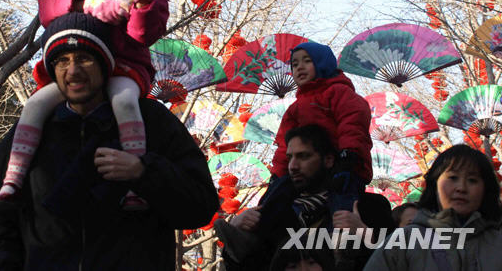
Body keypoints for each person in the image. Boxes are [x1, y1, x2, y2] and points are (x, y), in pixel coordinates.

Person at [0, 13, 218, 270]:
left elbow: (201, 206)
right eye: (62, 61)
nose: (73, 71)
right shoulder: (30, 133)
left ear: (105, 65)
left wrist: (143, 172)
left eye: (84, 58)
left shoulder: (152, 122)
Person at [0, 0, 169, 210]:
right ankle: (12, 181)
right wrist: (83, 4)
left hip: (125, 65)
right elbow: (48, 8)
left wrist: (142, 1)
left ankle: (132, 184)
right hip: (77, 66)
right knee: (35, 104)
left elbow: (144, 34)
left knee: (124, 101)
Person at [215, 125, 392, 271]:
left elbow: (397, 262)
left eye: (304, 156)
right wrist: (237, 234)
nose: (293, 166)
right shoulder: (274, 212)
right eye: (290, 157)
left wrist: (366, 235)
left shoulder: (367, 208)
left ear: (329, 160)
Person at [270, 42, 373, 212]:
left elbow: (352, 124)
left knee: (341, 204)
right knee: (277, 197)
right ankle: (253, 232)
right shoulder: (295, 108)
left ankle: (341, 235)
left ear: (322, 62)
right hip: (309, 170)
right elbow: (284, 144)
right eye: (294, 64)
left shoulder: (338, 92)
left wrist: (349, 153)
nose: (300, 68)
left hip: (344, 164)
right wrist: (278, 172)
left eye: (307, 61)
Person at [364, 144, 502, 270]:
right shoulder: (403, 241)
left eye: (472, 180)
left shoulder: (497, 242)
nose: (461, 188)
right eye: (453, 178)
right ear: (435, 183)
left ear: (486, 189)